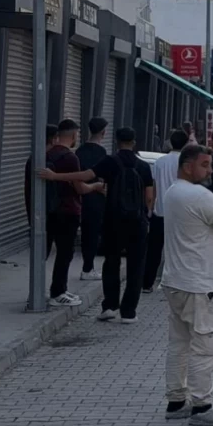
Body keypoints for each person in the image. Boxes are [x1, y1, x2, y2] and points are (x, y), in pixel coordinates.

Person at [161, 145, 213, 426]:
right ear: (188, 166)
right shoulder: (198, 194)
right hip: (201, 284)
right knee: (206, 345)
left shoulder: (173, 192)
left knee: (179, 344)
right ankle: (202, 406)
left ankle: (176, 401)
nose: (211, 170)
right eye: (205, 165)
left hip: (177, 280)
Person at [33, 120, 105, 306]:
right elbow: (80, 188)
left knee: (43, 252)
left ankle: (37, 292)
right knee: (65, 253)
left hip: (47, 211)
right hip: (67, 210)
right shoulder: (70, 158)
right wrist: (96, 186)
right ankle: (58, 292)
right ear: (73, 135)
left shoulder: (43, 155)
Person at [91, 127, 154, 324]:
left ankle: (110, 306)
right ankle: (129, 312)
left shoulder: (109, 162)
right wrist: (146, 214)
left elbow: (86, 174)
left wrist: (55, 176)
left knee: (111, 262)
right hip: (138, 222)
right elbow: (149, 196)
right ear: (134, 142)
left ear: (116, 141)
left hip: (113, 220)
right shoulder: (143, 166)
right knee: (136, 266)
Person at [143, 129, 188, 292]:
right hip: (179, 214)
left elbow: (154, 188)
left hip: (160, 212)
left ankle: (147, 283)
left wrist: (150, 208)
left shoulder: (160, 162)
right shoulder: (185, 163)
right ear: (186, 144)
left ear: (170, 143)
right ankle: (176, 284)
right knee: (178, 251)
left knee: (154, 250)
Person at [75, 117, 110, 281]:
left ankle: (87, 267)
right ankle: (88, 268)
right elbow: (103, 175)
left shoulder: (80, 151)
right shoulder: (101, 152)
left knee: (86, 233)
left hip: (80, 196)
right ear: (103, 132)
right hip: (96, 196)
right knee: (93, 233)